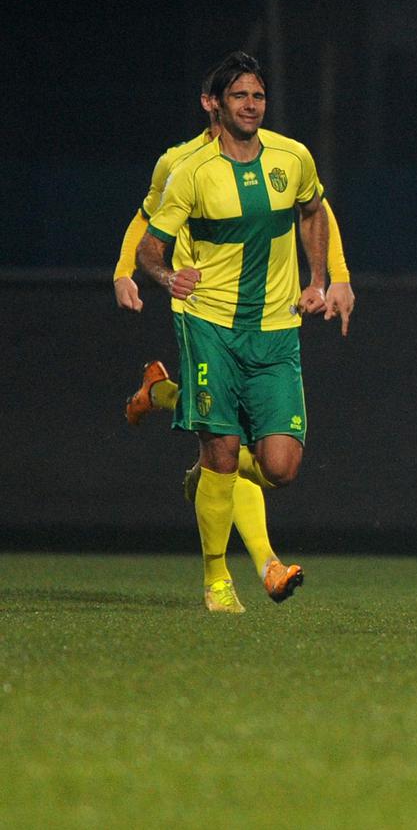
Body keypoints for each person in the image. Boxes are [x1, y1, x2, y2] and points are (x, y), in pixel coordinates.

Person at [112, 65, 356, 613]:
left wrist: (328, 279)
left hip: (275, 328)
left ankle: (164, 397)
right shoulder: (184, 166)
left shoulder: (291, 158)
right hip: (207, 320)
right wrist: (138, 273)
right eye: (239, 95)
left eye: (259, 95)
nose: (251, 104)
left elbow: (316, 211)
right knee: (223, 452)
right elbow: (148, 230)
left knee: (280, 467)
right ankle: (220, 581)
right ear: (212, 104)